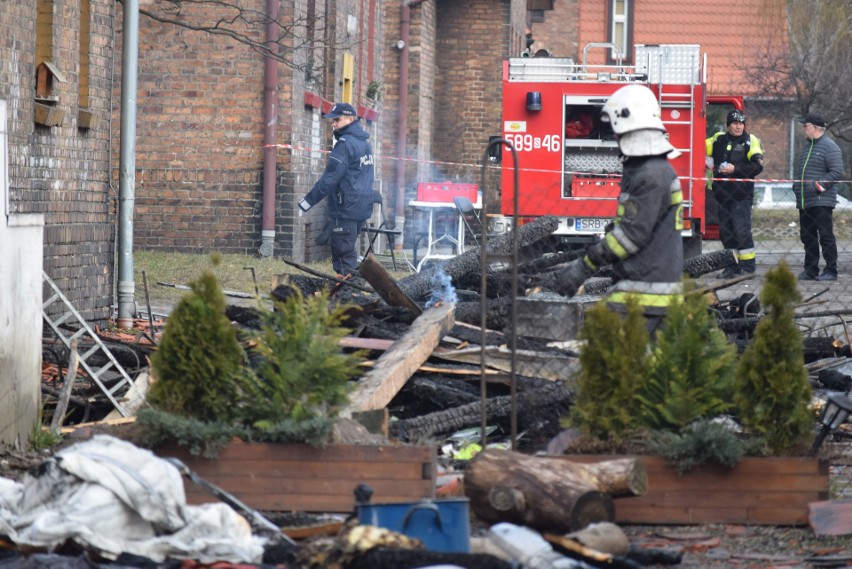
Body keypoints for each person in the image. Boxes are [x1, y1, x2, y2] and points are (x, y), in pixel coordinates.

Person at [556, 84, 683, 334]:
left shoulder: (650, 174)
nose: (614, 136)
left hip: (643, 294)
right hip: (651, 289)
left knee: (605, 356)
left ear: (629, 127)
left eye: (615, 129)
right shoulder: (652, 169)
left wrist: (585, 266)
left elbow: (631, 236)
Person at [298, 102, 375, 277]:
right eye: (332, 120)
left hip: (346, 209)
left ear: (350, 119)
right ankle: (350, 291)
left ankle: (348, 297)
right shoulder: (364, 143)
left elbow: (329, 179)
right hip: (362, 207)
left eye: (337, 120)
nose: (333, 124)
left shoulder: (345, 145)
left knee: (343, 258)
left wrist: (306, 202)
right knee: (347, 253)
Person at [706, 109, 764, 278]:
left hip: (741, 196)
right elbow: (697, 145)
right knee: (726, 232)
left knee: (741, 231)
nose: (739, 127)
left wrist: (735, 169)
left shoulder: (749, 140)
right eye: (735, 123)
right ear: (728, 125)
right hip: (722, 195)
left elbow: (757, 166)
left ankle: (747, 267)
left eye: (741, 123)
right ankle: (731, 267)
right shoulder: (718, 139)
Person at [794, 112, 844, 281]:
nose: (803, 129)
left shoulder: (830, 146)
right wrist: (797, 186)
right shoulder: (808, 146)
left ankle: (831, 270)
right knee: (807, 236)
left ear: (815, 127)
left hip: (821, 200)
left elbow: (837, 171)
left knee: (825, 235)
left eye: (805, 125)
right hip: (805, 200)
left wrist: (820, 185)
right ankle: (811, 270)